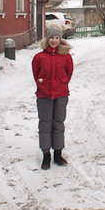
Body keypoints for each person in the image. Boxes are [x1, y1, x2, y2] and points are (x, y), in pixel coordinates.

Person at [32, 24, 74, 170]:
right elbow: (36, 74)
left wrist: (61, 84)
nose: (54, 41)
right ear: (47, 39)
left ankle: (58, 153)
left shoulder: (66, 57)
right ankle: (46, 155)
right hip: (44, 95)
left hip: (61, 95)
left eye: (57, 38)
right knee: (45, 124)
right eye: (52, 38)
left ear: (60, 39)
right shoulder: (39, 57)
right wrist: (43, 85)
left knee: (58, 123)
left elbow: (68, 73)